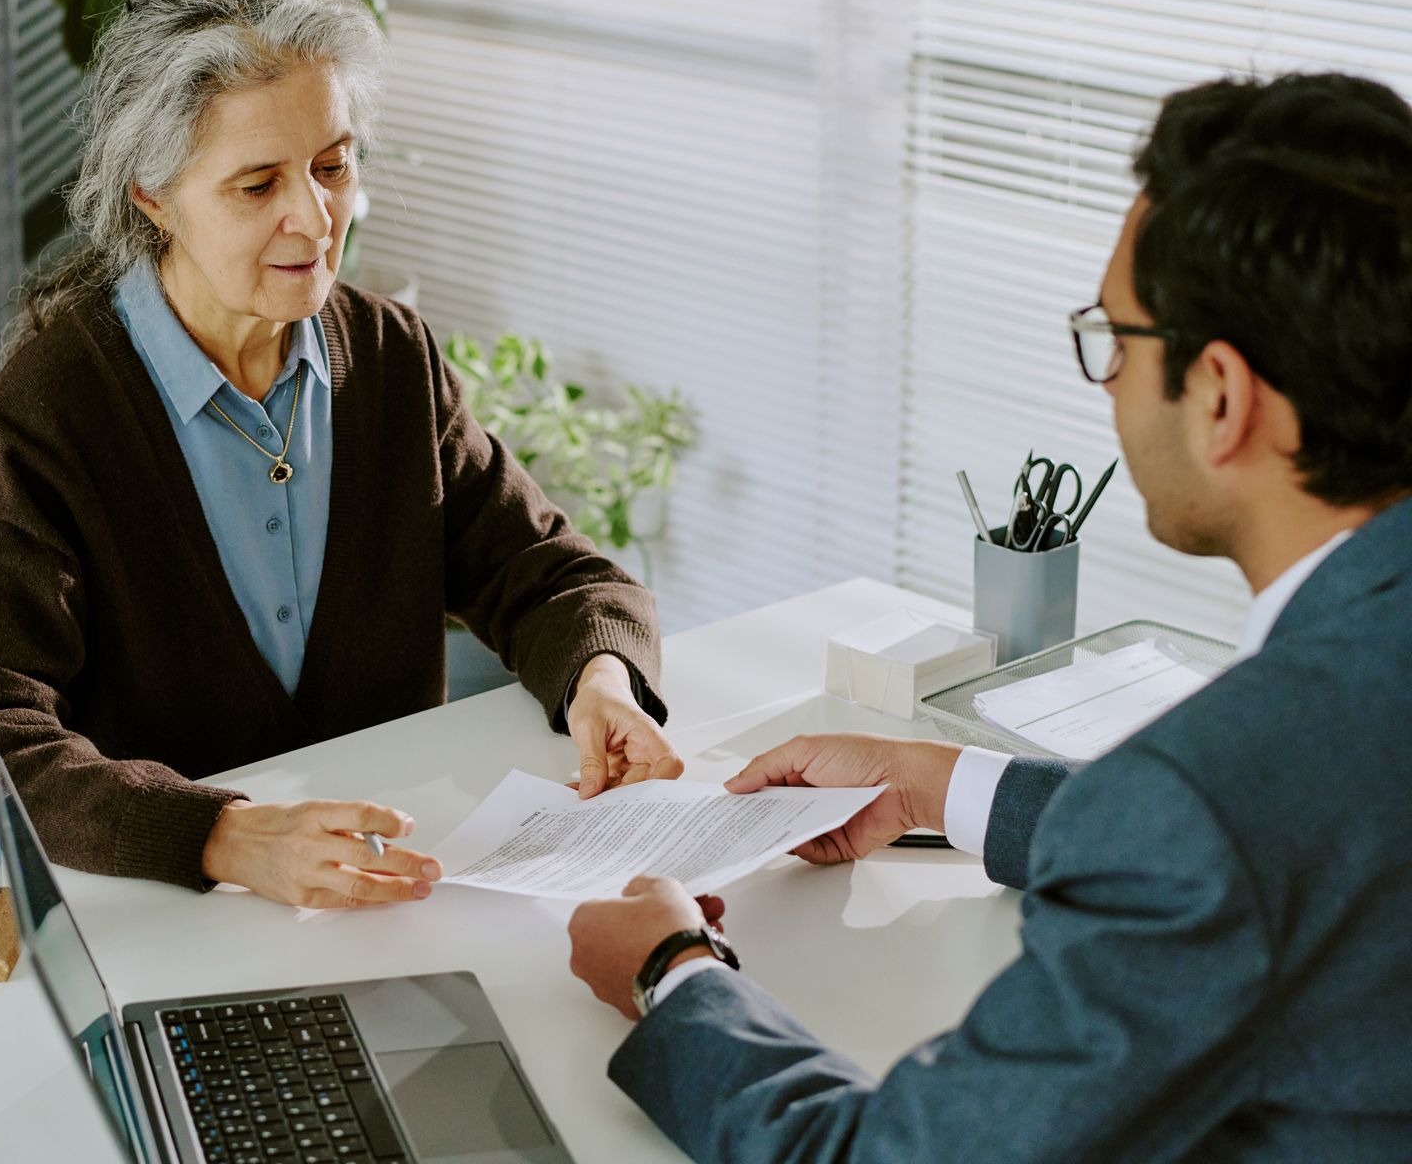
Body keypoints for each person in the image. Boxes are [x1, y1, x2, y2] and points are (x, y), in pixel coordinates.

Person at [565, 71, 1412, 1159]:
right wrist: (938, 781)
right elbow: (1303, 835)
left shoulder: (1221, 797)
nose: (1104, 383)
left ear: (1218, 394)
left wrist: (671, 972)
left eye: (1116, 338)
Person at [0, 0, 682, 911]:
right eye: (257, 184)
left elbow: (553, 576)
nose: (315, 220)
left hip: (385, 896)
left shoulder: (391, 358)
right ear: (153, 196)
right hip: (163, 924)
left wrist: (600, 678)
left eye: (333, 165)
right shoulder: (56, 408)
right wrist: (221, 836)